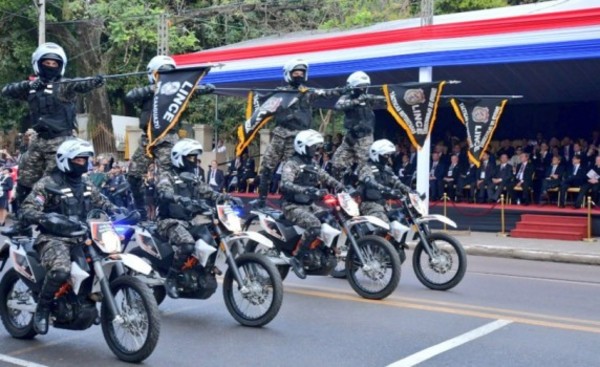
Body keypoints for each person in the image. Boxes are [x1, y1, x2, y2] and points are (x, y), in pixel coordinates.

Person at [19, 139, 121, 334]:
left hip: (85, 236)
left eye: (87, 160)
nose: (85, 164)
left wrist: (119, 211)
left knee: (109, 262)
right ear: (66, 160)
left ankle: (88, 300)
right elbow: (28, 208)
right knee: (61, 270)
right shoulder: (48, 183)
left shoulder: (86, 182)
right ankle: (42, 308)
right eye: (80, 160)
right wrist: (46, 217)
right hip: (54, 238)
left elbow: (102, 202)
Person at [1, 42, 105, 215]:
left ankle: (57, 221)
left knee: (53, 182)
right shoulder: (32, 88)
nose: (50, 66)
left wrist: (95, 81)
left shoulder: (65, 85)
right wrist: (28, 85)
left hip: (61, 142)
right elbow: (6, 91)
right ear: (38, 64)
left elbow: (81, 84)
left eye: (54, 64)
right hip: (38, 140)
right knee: (25, 181)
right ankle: (22, 224)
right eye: (46, 63)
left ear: (61, 65)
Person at [125, 55, 215, 219]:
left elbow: (193, 89)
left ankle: (167, 214)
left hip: (167, 140)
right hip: (148, 139)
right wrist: (154, 88)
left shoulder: (177, 90)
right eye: (163, 73)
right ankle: (140, 211)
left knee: (166, 178)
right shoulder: (149, 91)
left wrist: (205, 87)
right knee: (133, 175)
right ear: (153, 74)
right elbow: (130, 96)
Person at [155, 139, 238, 298]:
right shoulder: (166, 175)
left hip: (190, 221)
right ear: (180, 157)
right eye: (191, 158)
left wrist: (225, 196)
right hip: (168, 221)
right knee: (187, 243)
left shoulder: (192, 177)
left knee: (213, 237)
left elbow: (207, 191)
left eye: (195, 158)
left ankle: (205, 270)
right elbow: (164, 190)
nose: (194, 161)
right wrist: (178, 198)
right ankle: (171, 278)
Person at [252, 58, 339, 207]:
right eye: (295, 72)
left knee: (294, 169)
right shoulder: (279, 93)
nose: (298, 75)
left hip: (298, 137)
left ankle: (290, 201)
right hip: (280, 134)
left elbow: (326, 93)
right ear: (288, 74)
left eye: (301, 72)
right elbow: (262, 102)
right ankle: (261, 199)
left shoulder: (308, 93)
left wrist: (342, 90)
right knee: (267, 166)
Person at [280, 130, 344, 279]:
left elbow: (325, 176)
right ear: (303, 146)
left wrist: (341, 186)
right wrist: (308, 190)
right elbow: (285, 184)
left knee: (332, 220)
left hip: (309, 205)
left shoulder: (312, 164)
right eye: (313, 147)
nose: (315, 150)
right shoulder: (292, 164)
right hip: (292, 206)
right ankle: (298, 257)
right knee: (314, 225)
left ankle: (322, 251)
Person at [331, 71, 386, 180]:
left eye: (365, 86)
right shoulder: (347, 98)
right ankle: (343, 186)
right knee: (336, 163)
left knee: (365, 167)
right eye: (360, 87)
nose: (363, 89)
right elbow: (338, 106)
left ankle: (364, 189)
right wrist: (357, 101)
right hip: (350, 137)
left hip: (365, 139)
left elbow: (384, 100)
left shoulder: (368, 98)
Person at [356, 139, 411, 224]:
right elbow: (370, 181)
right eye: (385, 155)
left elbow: (396, 182)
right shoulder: (366, 167)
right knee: (385, 225)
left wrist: (409, 191)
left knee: (401, 221)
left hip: (384, 205)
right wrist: (386, 189)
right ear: (376, 154)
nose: (388, 158)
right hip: (370, 205)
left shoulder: (386, 169)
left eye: (389, 155)